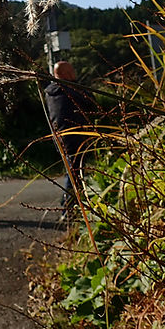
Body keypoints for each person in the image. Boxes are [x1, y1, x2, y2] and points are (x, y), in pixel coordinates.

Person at [44, 61, 95, 217]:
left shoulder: (51, 92)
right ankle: (68, 210)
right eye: (72, 71)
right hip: (75, 136)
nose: (75, 73)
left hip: (61, 137)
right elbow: (91, 102)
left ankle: (68, 205)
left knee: (71, 171)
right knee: (75, 173)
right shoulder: (70, 90)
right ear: (65, 74)